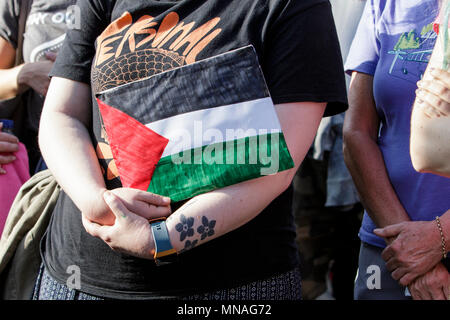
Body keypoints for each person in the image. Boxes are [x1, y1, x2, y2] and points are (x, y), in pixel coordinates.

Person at [33, 0, 347, 300]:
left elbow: (278, 161)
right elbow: (61, 114)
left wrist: (162, 239)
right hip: (81, 274)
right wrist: (98, 202)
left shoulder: (294, 6)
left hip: (233, 284)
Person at [344, 0, 450, 300]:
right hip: (390, 250)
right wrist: (407, 246)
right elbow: (356, 132)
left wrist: (438, 237)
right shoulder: (384, 5)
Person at [0, 0, 78, 175]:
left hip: (97, 150)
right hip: (34, 156)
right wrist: (26, 74)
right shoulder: (20, 3)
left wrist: (79, 72)